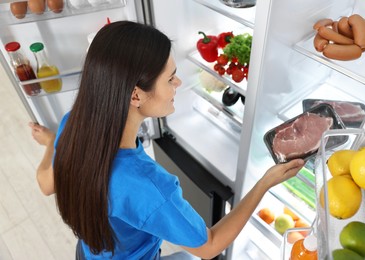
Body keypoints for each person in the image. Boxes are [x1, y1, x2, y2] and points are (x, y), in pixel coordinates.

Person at [29, 21, 305, 259]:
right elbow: (209, 247)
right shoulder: (146, 186)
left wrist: (52, 143)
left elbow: (45, 184)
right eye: (171, 78)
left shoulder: (72, 124)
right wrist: (264, 183)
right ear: (136, 96)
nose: (178, 84)